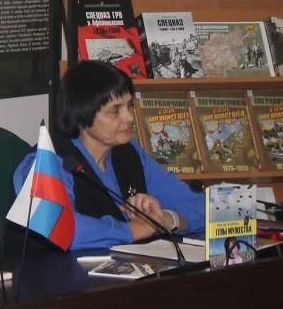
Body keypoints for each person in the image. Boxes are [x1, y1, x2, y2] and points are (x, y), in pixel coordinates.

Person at [13, 60, 204, 251]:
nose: (129, 117)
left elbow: (204, 204)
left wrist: (167, 220)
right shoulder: (46, 161)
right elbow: (59, 227)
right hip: (49, 268)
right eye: (115, 111)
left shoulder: (129, 152)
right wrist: (133, 230)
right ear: (81, 117)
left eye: (129, 105)